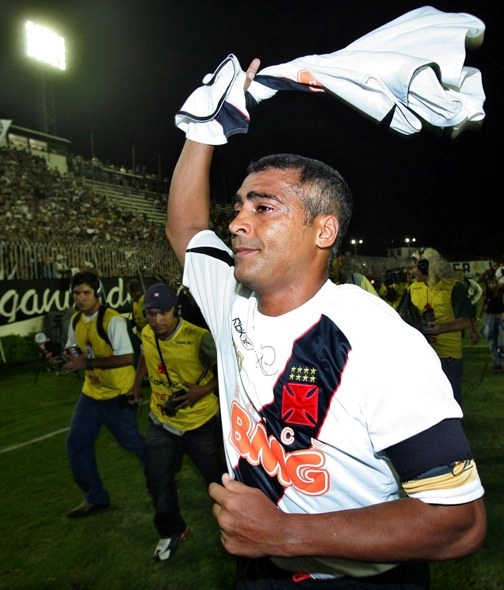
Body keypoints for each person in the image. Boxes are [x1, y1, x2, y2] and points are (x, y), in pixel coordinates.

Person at [165, 58, 485, 589]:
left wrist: (284, 533)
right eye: (240, 204)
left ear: (324, 230)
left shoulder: (381, 344)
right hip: (260, 564)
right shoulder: (232, 300)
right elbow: (187, 228)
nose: (238, 220)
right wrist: (203, 131)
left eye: (264, 207)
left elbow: (457, 522)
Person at [127, 283, 225, 561]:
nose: (157, 320)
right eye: (151, 313)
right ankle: (172, 531)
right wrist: (136, 385)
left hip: (201, 424)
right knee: (157, 480)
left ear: (176, 310)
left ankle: (240, 530)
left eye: (163, 313)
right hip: (162, 422)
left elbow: (229, 371)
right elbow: (146, 357)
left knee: (219, 481)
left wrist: (202, 390)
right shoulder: (147, 333)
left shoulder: (198, 338)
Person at [62, 271, 145, 518]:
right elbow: (73, 350)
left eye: (85, 293)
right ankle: (95, 497)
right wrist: (66, 358)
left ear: (96, 293)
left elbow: (127, 357)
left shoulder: (113, 320)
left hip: (118, 394)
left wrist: (86, 364)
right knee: (76, 443)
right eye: (76, 293)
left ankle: (161, 476)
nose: (80, 297)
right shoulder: (76, 320)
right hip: (91, 394)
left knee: (134, 445)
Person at [409, 248, 474, 406]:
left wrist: (441, 328)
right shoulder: (412, 289)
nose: (412, 271)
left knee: (450, 400)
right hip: (422, 354)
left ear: (428, 267)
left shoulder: (455, 288)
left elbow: (466, 321)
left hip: (448, 356)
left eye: (416, 266)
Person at [478, 272, 504, 374]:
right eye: (489, 283)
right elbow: (484, 306)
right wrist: (479, 319)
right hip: (489, 318)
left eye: (493, 283)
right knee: (491, 342)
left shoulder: (501, 290)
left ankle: (501, 361)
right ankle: (496, 365)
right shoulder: (486, 292)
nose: (491, 285)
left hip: (499, 316)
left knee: (501, 342)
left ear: (496, 282)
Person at [127, 278, 148, 366]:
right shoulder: (133, 302)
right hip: (140, 336)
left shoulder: (144, 300)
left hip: (148, 334)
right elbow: (134, 318)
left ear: (131, 290)